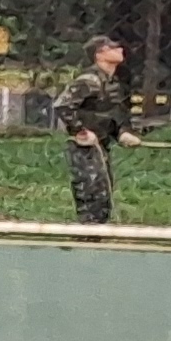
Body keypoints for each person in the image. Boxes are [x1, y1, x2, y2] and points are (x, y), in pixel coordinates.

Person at [55, 34, 136, 225]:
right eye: (113, 48)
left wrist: (123, 132)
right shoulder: (89, 80)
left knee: (103, 192)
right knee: (90, 190)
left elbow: (115, 113)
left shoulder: (113, 83)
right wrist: (79, 130)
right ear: (100, 54)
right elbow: (62, 105)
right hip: (86, 147)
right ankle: (88, 232)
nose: (120, 50)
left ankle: (98, 231)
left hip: (102, 145)